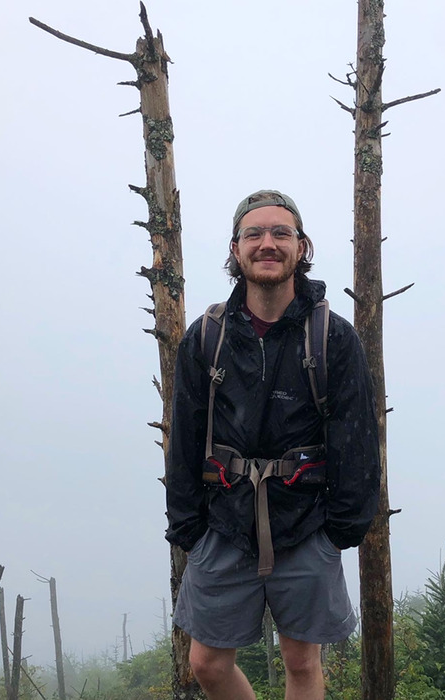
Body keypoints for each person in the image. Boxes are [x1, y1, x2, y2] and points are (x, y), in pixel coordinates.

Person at [165, 190, 380, 700]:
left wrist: (340, 532)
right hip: (223, 525)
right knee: (206, 664)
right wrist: (189, 530)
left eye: (281, 233)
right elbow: (185, 439)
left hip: (306, 525)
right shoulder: (206, 337)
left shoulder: (332, 337)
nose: (268, 243)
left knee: (301, 661)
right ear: (235, 249)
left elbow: (356, 441)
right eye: (254, 233)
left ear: (301, 247)